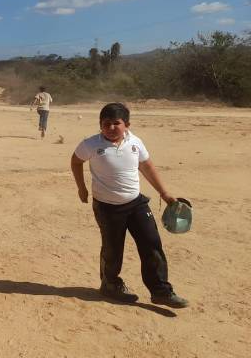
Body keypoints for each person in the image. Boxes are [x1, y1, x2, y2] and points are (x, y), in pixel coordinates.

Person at [70, 103, 189, 308]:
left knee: (152, 243)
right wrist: (81, 188)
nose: (111, 128)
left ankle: (161, 291)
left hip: (136, 204)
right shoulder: (91, 144)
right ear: (100, 125)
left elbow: (147, 166)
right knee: (113, 250)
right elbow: (75, 161)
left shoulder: (135, 142)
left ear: (127, 125)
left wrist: (164, 193)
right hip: (107, 207)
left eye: (116, 123)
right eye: (106, 124)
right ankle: (110, 285)